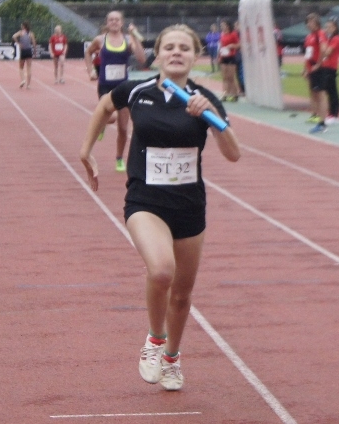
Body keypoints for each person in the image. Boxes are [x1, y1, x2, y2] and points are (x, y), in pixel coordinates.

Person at [79, 24, 240, 391]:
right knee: (162, 270)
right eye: (169, 47)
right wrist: (85, 150)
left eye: (184, 47)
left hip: (188, 206)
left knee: (181, 295)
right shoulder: (138, 91)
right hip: (145, 201)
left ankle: (171, 358)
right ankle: (155, 340)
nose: (176, 52)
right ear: (158, 56)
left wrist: (211, 119)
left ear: (195, 56)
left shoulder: (204, 99)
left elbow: (234, 153)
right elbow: (105, 105)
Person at [83, 10, 147, 172]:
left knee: (123, 128)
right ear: (107, 22)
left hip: (123, 87)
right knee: (110, 116)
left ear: (122, 22)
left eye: (117, 20)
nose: (114, 22)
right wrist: (91, 70)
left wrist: (135, 37)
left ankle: (119, 158)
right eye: (111, 20)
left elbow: (142, 59)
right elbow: (88, 53)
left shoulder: (128, 40)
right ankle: (103, 123)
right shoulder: (100, 40)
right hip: (105, 86)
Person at [315, 19, 339, 132]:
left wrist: (323, 42)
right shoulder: (329, 38)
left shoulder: (336, 39)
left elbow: (327, 52)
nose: (327, 29)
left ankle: (333, 114)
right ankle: (332, 114)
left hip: (331, 67)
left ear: (335, 28)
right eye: (326, 27)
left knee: (330, 91)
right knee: (330, 90)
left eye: (329, 27)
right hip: (326, 66)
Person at [303, 13, 327, 126]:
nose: (308, 24)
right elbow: (308, 54)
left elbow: (323, 49)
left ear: (316, 23)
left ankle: (322, 120)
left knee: (320, 94)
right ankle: (314, 114)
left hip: (318, 68)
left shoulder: (320, 34)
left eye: (310, 22)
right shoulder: (309, 37)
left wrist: (318, 64)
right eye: (307, 22)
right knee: (313, 92)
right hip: (311, 68)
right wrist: (305, 69)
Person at [217, 20, 239, 102]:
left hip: (231, 56)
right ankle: (225, 94)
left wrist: (232, 46)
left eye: (223, 25)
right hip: (223, 56)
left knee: (230, 77)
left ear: (228, 26)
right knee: (224, 77)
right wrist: (219, 56)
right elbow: (221, 45)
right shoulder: (222, 34)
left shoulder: (233, 34)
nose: (222, 27)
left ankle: (235, 94)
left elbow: (238, 45)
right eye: (221, 26)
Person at [12, 22, 36, 89]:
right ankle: (28, 85)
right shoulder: (31, 33)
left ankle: (23, 80)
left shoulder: (20, 32)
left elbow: (13, 36)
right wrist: (35, 51)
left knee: (21, 67)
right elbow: (34, 42)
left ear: (23, 26)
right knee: (29, 68)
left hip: (23, 51)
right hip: (29, 50)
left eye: (21, 25)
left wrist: (18, 43)